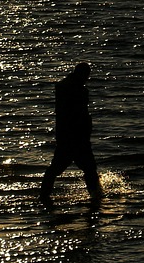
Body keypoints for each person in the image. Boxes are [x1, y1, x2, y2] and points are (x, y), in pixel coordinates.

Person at [40, 62, 102, 203]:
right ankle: (96, 196)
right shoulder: (73, 89)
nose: (87, 78)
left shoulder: (68, 87)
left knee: (61, 168)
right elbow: (75, 115)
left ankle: (44, 197)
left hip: (71, 136)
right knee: (87, 168)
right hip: (74, 137)